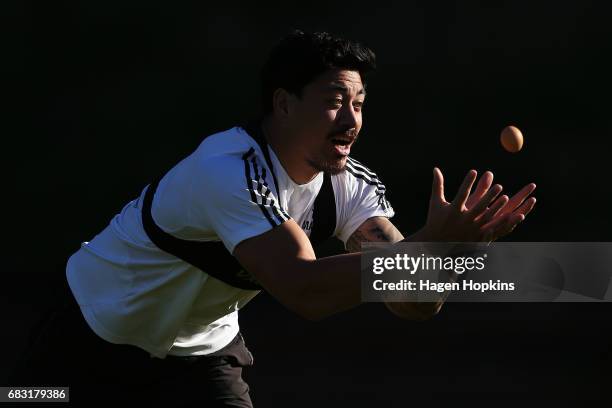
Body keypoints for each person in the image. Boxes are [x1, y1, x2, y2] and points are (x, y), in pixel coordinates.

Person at [11, 30, 536, 407]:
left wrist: (446, 252)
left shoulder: (351, 184)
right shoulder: (228, 170)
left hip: (203, 360)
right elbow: (304, 289)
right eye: (334, 101)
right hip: (87, 342)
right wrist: (427, 242)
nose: (352, 119)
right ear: (283, 104)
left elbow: (414, 304)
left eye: (359, 102)